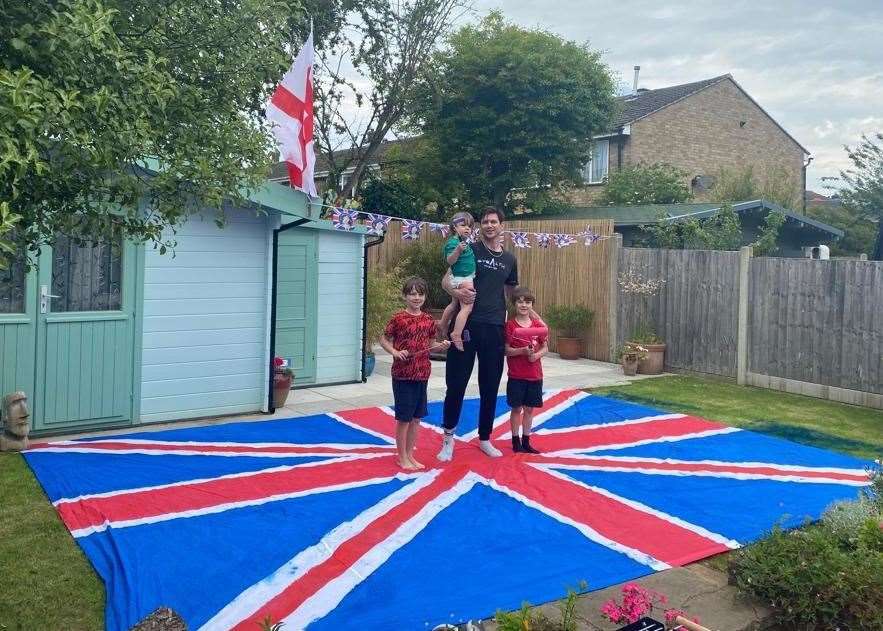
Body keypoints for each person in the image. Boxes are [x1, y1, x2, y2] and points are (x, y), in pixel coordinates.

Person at [437, 207, 519, 462]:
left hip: (494, 327)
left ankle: (485, 438)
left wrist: (518, 323)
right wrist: (457, 293)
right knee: (456, 383)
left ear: (502, 226)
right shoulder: (469, 247)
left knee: (490, 385)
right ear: (480, 226)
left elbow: (509, 295)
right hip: (467, 326)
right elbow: (445, 280)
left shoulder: (509, 260)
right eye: (485, 222)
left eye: (494, 221)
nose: (489, 225)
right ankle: (448, 438)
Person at [380, 277, 451, 470]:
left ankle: (410, 454)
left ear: (425, 297)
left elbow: (430, 347)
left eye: (420, 294)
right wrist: (394, 351)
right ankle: (401, 456)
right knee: (404, 419)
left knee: (416, 418)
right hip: (403, 375)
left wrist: (441, 346)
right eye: (412, 294)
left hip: (422, 374)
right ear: (405, 296)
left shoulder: (428, 320)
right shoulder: (398, 318)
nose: (416, 297)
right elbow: (384, 339)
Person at [504, 287, 548, 454]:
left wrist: (535, 356)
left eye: (527, 302)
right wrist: (522, 351)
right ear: (515, 304)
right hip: (516, 375)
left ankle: (526, 440)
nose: (524, 305)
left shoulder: (538, 325)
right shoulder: (510, 326)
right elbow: (506, 350)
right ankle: (516, 441)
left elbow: (545, 347)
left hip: (535, 375)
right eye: (520, 301)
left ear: (532, 305)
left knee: (529, 409)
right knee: (516, 408)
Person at [438, 212, 477, 351]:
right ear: (454, 227)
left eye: (470, 226)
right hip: (463, 277)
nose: (467, 228)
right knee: (467, 307)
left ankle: (442, 324)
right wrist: (458, 250)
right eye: (463, 225)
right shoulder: (454, 243)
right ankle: (456, 333)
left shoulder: (465, 242)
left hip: (462, 277)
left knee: (454, 304)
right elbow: (450, 260)